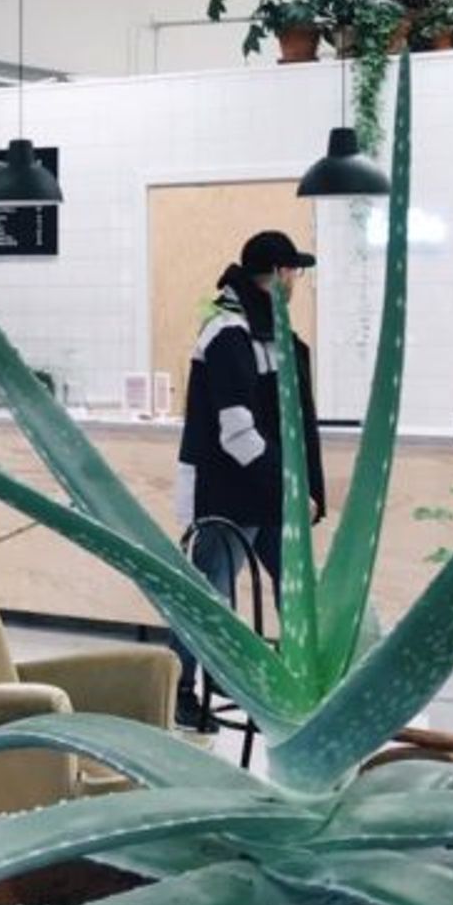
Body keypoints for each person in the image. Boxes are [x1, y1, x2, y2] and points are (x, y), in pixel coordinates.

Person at [173, 228, 326, 723]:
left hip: (265, 492)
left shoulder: (267, 332)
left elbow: (292, 422)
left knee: (292, 589)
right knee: (208, 595)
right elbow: (235, 431)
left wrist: (307, 490)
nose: (297, 281)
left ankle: (299, 682)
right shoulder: (228, 333)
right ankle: (181, 690)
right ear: (280, 275)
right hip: (227, 493)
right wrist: (290, 488)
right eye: (295, 272)